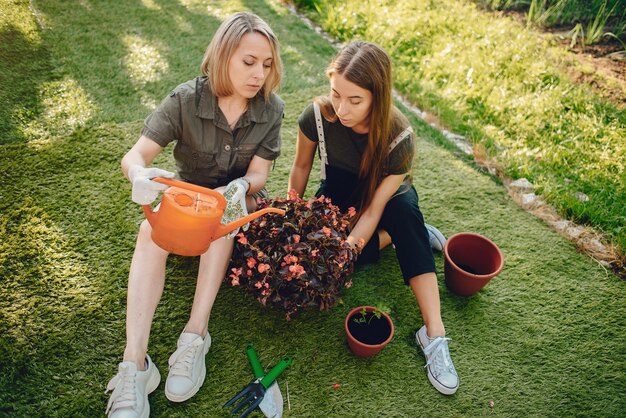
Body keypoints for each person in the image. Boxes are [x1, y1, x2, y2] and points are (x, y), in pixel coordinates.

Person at [105, 12, 284, 417]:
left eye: (267, 64)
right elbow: (135, 155)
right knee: (148, 234)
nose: (259, 74)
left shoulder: (271, 110)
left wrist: (240, 186)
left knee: (221, 225)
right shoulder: (186, 99)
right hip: (185, 203)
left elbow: (258, 174)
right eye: (249, 61)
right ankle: (135, 365)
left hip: (233, 206)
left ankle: (195, 335)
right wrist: (140, 173)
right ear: (223, 57)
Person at [288, 41, 459, 395]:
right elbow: (301, 167)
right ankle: (394, 237)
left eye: (355, 100)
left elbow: (373, 209)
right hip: (338, 190)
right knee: (322, 262)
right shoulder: (317, 116)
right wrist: (293, 219)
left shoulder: (400, 137)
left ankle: (434, 333)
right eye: (336, 94)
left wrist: (348, 248)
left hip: (386, 199)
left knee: (402, 214)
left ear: (377, 98)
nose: (342, 108)